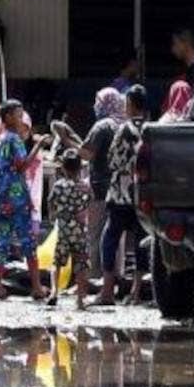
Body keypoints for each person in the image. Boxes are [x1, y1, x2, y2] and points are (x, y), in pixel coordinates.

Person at [53, 87, 126, 277]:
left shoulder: (102, 126)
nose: (95, 106)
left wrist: (66, 140)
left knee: (95, 235)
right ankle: (115, 276)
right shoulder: (123, 124)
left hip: (100, 189)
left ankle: (95, 276)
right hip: (121, 190)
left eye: (98, 102)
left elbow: (86, 154)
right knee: (117, 237)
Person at [97, 85, 150, 305]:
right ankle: (136, 293)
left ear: (130, 105)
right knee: (140, 243)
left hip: (121, 196)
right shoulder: (150, 128)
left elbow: (113, 161)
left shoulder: (125, 129)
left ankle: (107, 291)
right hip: (142, 195)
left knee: (109, 240)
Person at [0, 100, 46, 301]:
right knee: (27, 241)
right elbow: (23, 166)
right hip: (18, 196)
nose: (21, 118)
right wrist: (38, 145)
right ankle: (37, 287)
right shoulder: (15, 140)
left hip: (2, 195)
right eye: (18, 114)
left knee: (2, 240)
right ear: (7, 117)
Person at [47, 149, 91, 310]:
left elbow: (51, 202)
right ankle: (80, 298)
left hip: (64, 230)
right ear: (80, 168)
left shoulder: (59, 185)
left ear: (63, 168)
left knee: (57, 262)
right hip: (79, 231)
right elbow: (89, 202)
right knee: (80, 264)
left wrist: (54, 217)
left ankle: (54, 292)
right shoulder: (84, 186)